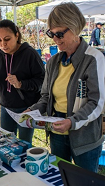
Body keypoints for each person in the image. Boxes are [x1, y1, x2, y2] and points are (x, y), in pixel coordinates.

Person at [26, 3, 105, 172]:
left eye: (60, 34)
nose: (55, 39)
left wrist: (72, 121)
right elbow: (46, 97)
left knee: (86, 185)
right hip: (57, 133)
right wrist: (32, 111)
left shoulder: (93, 58)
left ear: (75, 28)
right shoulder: (54, 61)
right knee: (61, 181)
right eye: (51, 34)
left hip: (85, 137)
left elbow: (95, 102)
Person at [0, 19, 45, 144]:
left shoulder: (30, 54)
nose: (3, 44)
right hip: (6, 107)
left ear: (17, 35)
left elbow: (41, 82)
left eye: (7, 39)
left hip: (26, 108)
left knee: (24, 143)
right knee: (6, 142)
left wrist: (20, 84)